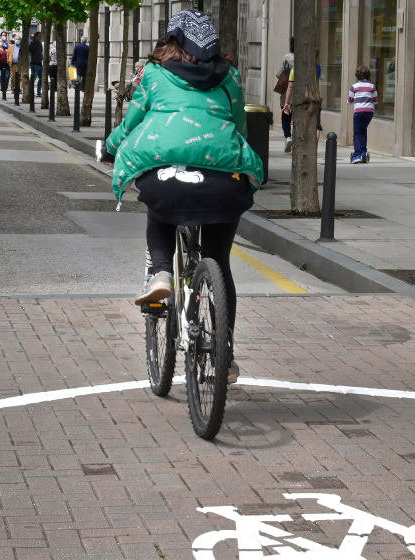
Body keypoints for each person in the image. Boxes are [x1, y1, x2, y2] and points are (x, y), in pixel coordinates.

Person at [104, 9, 263, 382]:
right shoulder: (230, 79)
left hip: (169, 177)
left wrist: (109, 147)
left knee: (160, 208)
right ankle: (223, 352)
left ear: (171, 42)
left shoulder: (154, 76)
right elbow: (238, 125)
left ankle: (160, 273)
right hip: (225, 181)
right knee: (218, 261)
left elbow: (131, 125)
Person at [348, 65, 377, 164]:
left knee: (357, 133)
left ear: (357, 75)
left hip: (358, 112)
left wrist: (351, 100)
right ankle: (363, 153)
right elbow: (375, 100)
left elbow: (350, 100)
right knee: (363, 131)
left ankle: (357, 155)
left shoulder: (354, 86)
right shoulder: (372, 86)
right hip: (369, 113)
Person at [276, 41, 294, 152]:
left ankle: (288, 137)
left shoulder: (287, 58)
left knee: (285, 117)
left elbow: (278, 74)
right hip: (301, 93)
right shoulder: (304, 59)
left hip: (286, 92)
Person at [29, 31, 44, 97]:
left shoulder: (40, 43)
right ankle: (31, 91)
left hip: (39, 63)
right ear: (36, 36)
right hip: (34, 63)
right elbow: (29, 50)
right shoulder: (33, 43)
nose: (41, 37)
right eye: (39, 36)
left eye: (41, 36)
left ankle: (38, 92)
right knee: (33, 77)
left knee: (41, 78)